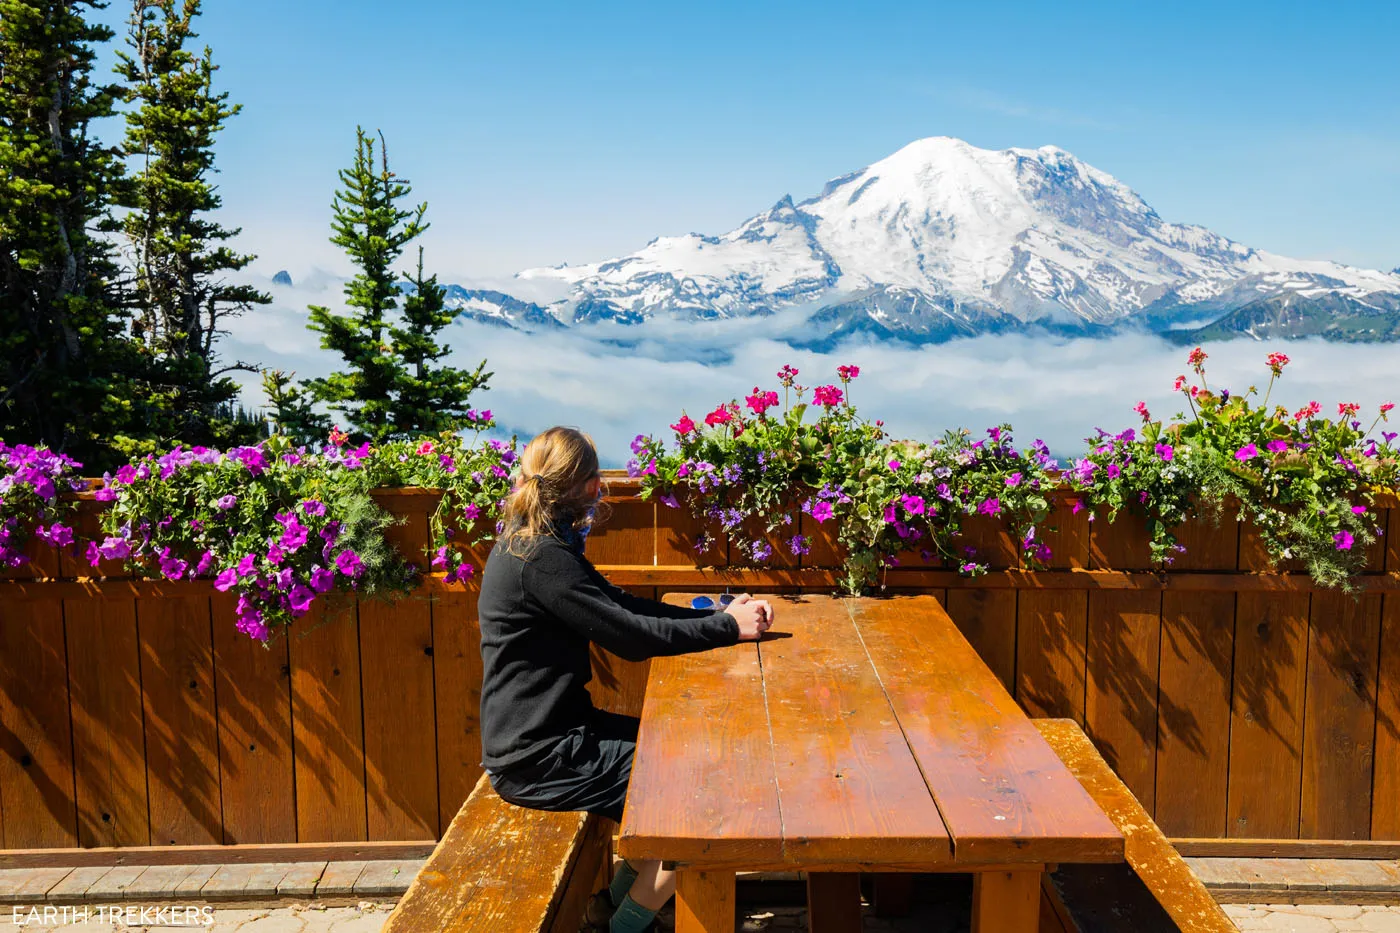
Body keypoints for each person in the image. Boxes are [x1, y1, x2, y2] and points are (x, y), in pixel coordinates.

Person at [477, 426, 774, 933]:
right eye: (597, 481)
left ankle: (611, 907)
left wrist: (720, 617)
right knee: (706, 792)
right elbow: (631, 638)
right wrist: (727, 629)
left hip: (551, 738)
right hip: (541, 757)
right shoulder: (542, 559)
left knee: (683, 759)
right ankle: (622, 927)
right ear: (586, 487)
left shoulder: (534, 546)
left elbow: (620, 606)